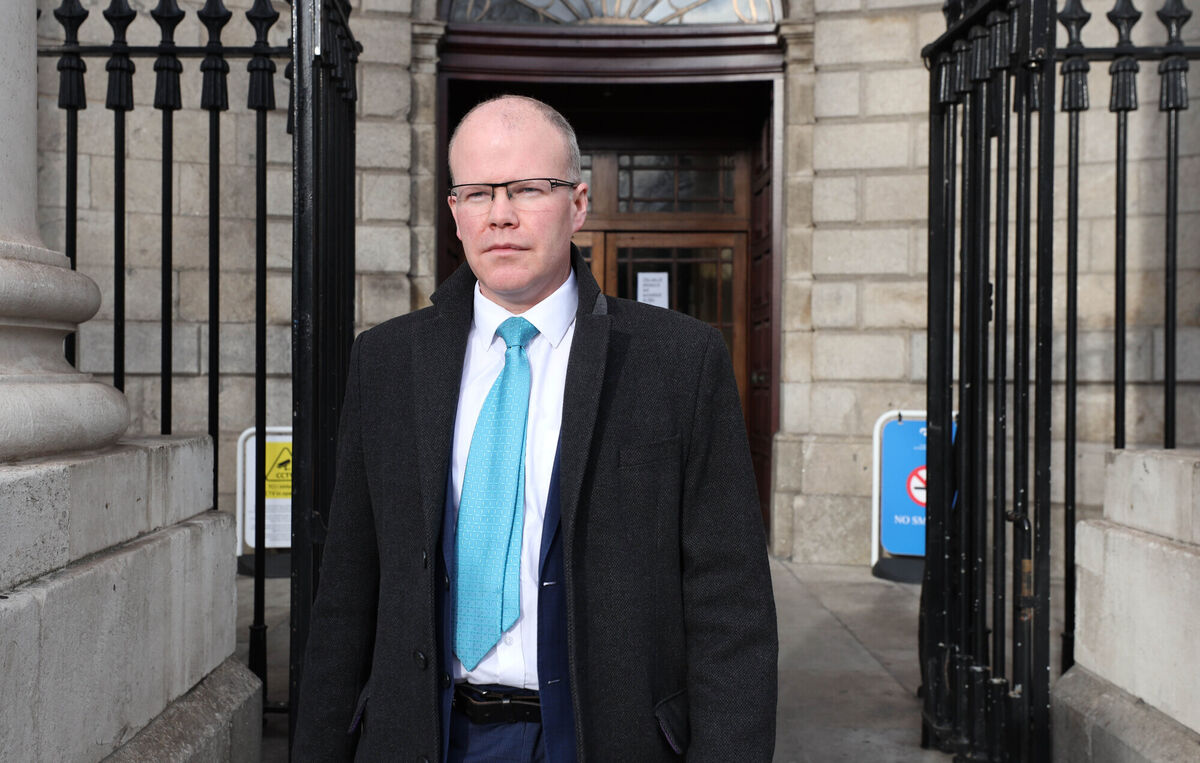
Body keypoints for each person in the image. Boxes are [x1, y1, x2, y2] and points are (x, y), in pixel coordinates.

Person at [294, 95, 777, 762]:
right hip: (427, 736)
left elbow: (731, 603)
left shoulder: (679, 360)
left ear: (578, 204)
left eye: (527, 188)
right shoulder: (386, 361)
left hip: (606, 739)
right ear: (455, 212)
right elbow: (347, 591)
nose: (501, 214)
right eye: (478, 193)